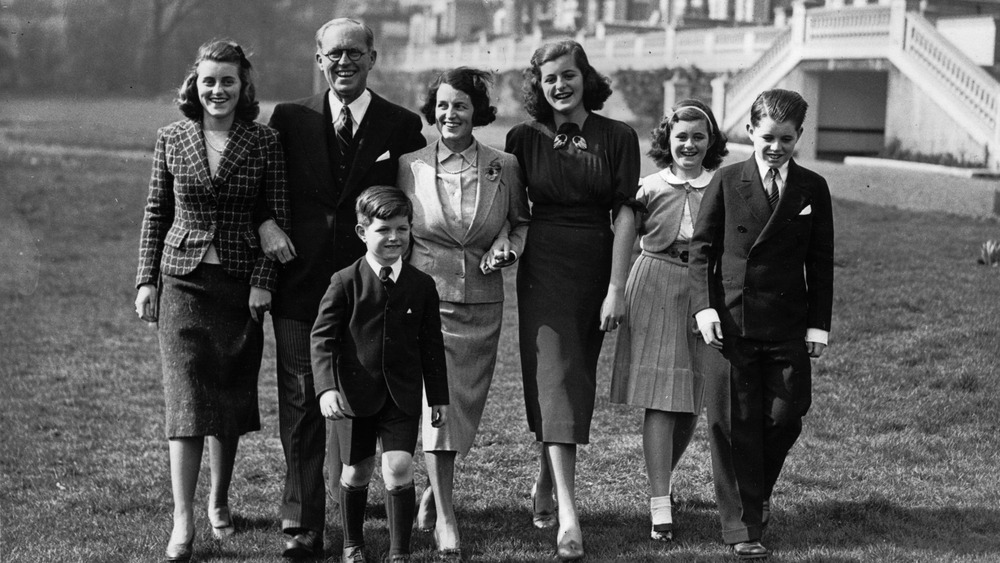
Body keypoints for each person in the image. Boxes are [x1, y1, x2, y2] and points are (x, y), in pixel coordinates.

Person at [258, 17, 426, 558]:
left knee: (373, 395)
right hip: (301, 284)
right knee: (302, 402)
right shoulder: (288, 118)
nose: (345, 62)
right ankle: (303, 523)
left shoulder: (399, 124)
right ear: (319, 58)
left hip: (371, 292)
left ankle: (368, 501)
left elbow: (410, 205)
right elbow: (263, 182)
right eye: (335, 54)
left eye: (356, 52)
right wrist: (265, 221)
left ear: (373, 58)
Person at [134, 40, 289, 562]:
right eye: (208, 81)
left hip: (241, 288)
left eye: (228, 81)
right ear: (194, 86)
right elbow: (156, 210)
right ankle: (183, 520)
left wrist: (264, 279)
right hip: (182, 283)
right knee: (186, 403)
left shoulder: (264, 141)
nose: (218, 91)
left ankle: (219, 502)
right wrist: (145, 280)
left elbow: (277, 213)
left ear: (244, 85)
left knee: (228, 398)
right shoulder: (172, 137)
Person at [504, 39, 640, 561]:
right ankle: (568, 512)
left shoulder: (618, 136)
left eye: (568, 75)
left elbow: (626, 214)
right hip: (543, 269)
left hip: (596, 268)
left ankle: (544, 477)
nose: (559, 85)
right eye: (548, 78)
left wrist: (615, 288)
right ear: (537, 85)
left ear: (586, 76)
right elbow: (512, 210)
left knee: (572, 380)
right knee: (555, 378)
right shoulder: (522, 138)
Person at [688, 88, 834, 560]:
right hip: (731, 322)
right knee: (732, 424)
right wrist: (704, 308)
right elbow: (701, 251)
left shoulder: (813, 188)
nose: (776, 147)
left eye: (786, 139)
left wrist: (818, 327)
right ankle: (742, 527)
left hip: (788, 323)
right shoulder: (728, 181)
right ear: (750, 132)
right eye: (768, 137)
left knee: (785, 415)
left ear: (799, 138)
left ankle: (754, 493)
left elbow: (822, 260)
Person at [397, 67, 530, 559]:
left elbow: (520, 223)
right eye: (442, 106)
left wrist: (507, 249)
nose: (449, 115)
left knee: (464, 410)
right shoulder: (409, 165)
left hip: (482, 301)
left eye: (460, 106)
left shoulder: (504, 165)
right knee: (440, 407)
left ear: (478, 112)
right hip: (424, 302)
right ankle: (447, 519)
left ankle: (434, 492)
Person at [609, 99, 729, 543]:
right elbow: (623, 237)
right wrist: (616, 292)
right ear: (666, 140)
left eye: (699, 136)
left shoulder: (723, 185)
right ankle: (660, 505)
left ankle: (667, 481)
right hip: (654, 283)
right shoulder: (647, 187)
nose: (690, 144)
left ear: (711, 141)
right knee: (661, 398)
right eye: (681, 136)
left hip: (704, 292)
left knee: (691, 398)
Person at [311, 185, 449, 563]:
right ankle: (352, 544)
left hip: (402, 395)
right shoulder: (344, 281)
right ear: (362, 232)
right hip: (354, 397)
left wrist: (438, 397)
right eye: (383, 229)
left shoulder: (422, 286)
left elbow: (432, 346)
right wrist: (326, 389)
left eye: (402, 229)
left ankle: (398, 551)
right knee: (356, 471)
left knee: (399, 467)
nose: (394, 238)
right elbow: (322, 338)